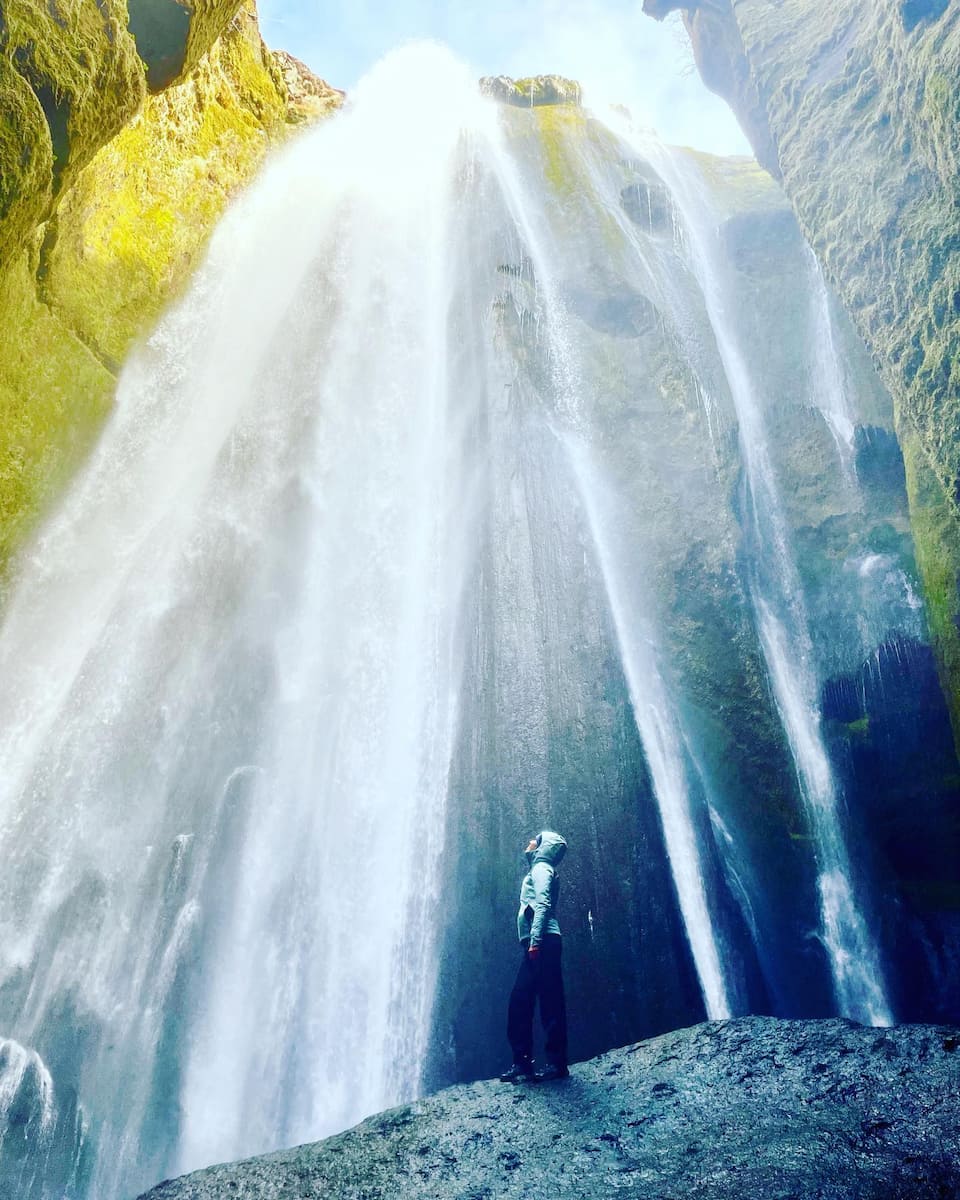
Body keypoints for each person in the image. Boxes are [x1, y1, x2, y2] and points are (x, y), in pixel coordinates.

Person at [499, 830, 569, 1083]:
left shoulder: (541, 869)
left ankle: (555, 1064)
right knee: (522, 1000)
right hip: (539, 942)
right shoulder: (539, 868)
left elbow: (542, 905)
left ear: (544, 847)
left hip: (543, 942)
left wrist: (535, 942)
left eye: (535, 841)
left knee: (547, 1001)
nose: (530, 842)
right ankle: (523, 1062)